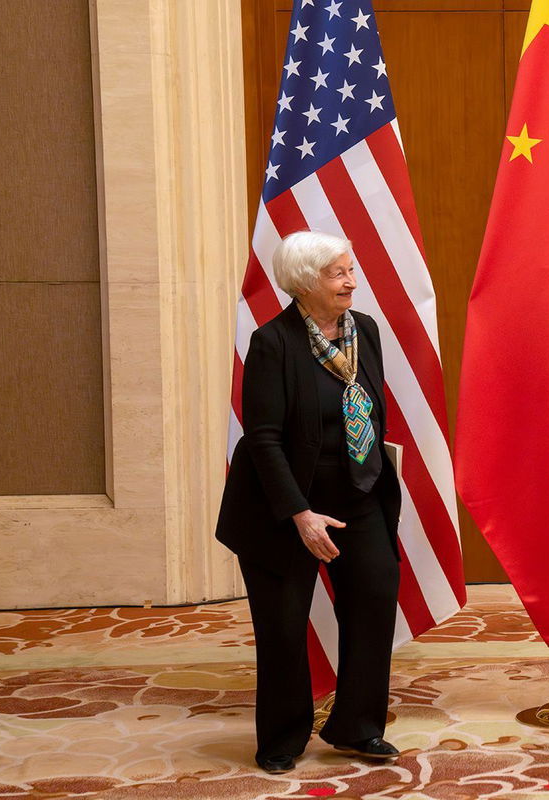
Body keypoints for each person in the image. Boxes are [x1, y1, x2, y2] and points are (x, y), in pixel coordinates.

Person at [215, 230, 403, 774]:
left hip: (357, 496)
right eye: (339, 273)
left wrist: (370, 477)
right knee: (282, 624)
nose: (351, 281)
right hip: (283, 506)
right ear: (304, 282)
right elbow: (264, 438)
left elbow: (371, 415)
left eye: (350, 270)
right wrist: (299, 513)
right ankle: (281, 736)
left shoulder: (363, 331)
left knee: (372, 603)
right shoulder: (272, 343)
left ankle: (358, 726)